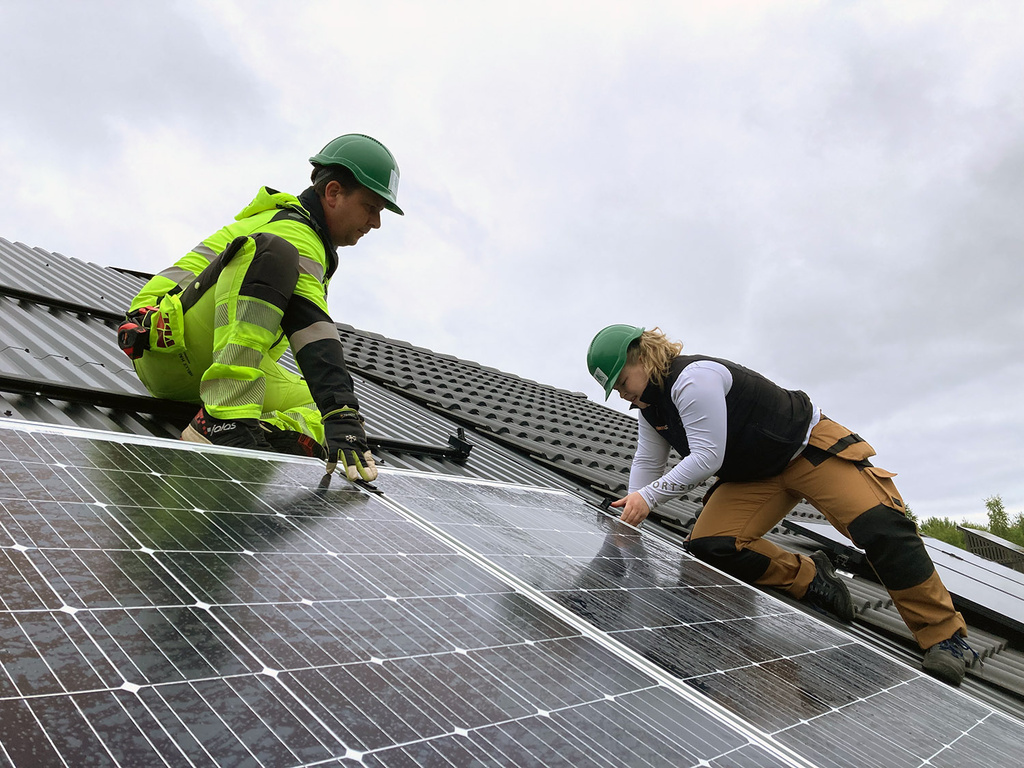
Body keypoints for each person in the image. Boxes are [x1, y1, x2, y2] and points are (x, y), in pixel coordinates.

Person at [586, 324, 978, 686]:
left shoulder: (692, 379)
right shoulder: (650, 410)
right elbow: (646, 464)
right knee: (712, 544)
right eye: (616, 391)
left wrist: (648, 498)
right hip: (756, 476)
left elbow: (707, 456)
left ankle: (945, 638)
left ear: (642, 356)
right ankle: (812, 577)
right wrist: (630, 514)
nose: (623, 395)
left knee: (882, 527)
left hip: (808, 450)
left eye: (622, 382)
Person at [120, 134, 403, 482]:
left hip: (205, 365)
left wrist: (343, 420)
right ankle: (223, 419)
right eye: (371, 207)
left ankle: (257, 433)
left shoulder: (309, 239)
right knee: (273, 253)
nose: (376, 222)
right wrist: (341, 409)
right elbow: (312, 326)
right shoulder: (294, 233)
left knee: (324, 412)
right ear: (333, 193)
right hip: (168, 347)